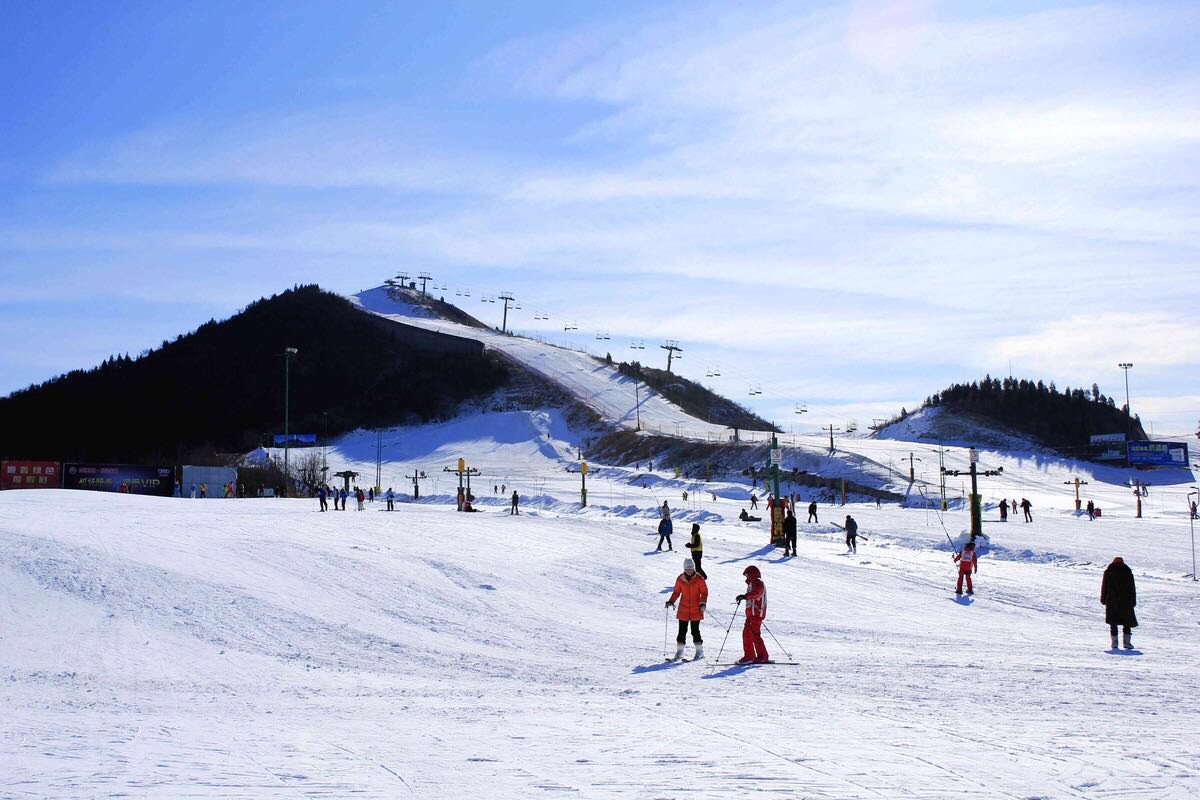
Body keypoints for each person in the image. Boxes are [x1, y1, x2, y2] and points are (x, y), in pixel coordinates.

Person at [665, 558, 708, 661]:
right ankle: (679, 653)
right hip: (683, 609)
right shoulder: (680, 579)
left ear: (693, 568)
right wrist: (671, 601)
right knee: (681, 632)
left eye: (691, 568)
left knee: (695, 631)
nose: (689, 570)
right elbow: (676, 592)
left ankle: (699, 652)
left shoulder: (699, 579)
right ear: (684, 568)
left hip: (696, 609)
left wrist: (703, 603)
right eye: (687, 568)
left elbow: (704, 592)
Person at [1101, 557, 1138, 650]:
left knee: (1113, 623)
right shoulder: (1127, 572)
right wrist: (1133, 601)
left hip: (1112, 601)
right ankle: (1127, 643)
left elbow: (1104, 586)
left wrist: (1103, 599)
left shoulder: (1108, 572)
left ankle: (1114, 643)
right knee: (1127, 622)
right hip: (1126, 601)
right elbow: (1132, 588)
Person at [735, 565, 769, 664]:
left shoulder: (758, 581)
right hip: (751, 614)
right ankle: (749, 655)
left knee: (755, 635)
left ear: (751, 574)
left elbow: (757, 593)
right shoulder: (753, 582)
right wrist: (745, 597)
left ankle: (763, 656)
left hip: (756, 613)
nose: (746, 577)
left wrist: (745, 596)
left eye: (747, 575)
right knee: (747, 634)